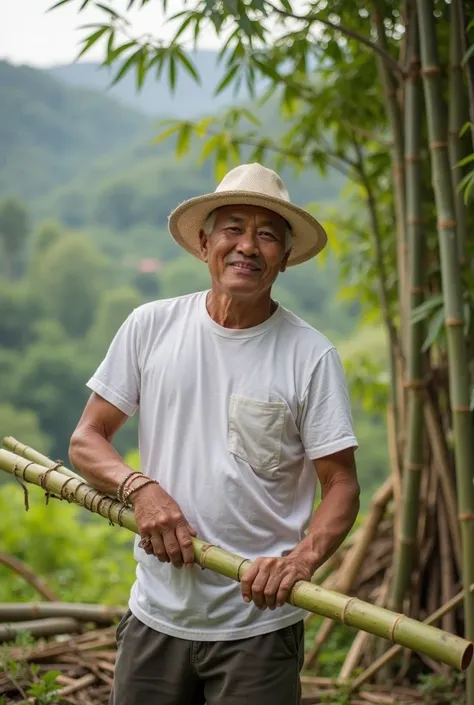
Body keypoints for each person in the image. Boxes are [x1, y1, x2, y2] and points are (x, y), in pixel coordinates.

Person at [69, 162, 360, 705]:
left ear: (285, 258)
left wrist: (300, 561)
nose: (247, 246)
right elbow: (88, 438)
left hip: (258, 624)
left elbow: (341, 483)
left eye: (267, 235)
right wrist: (139, 487)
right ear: (205, 244)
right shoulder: (150, 326)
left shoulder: (310, 355)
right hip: (156, 612)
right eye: (233, 229)